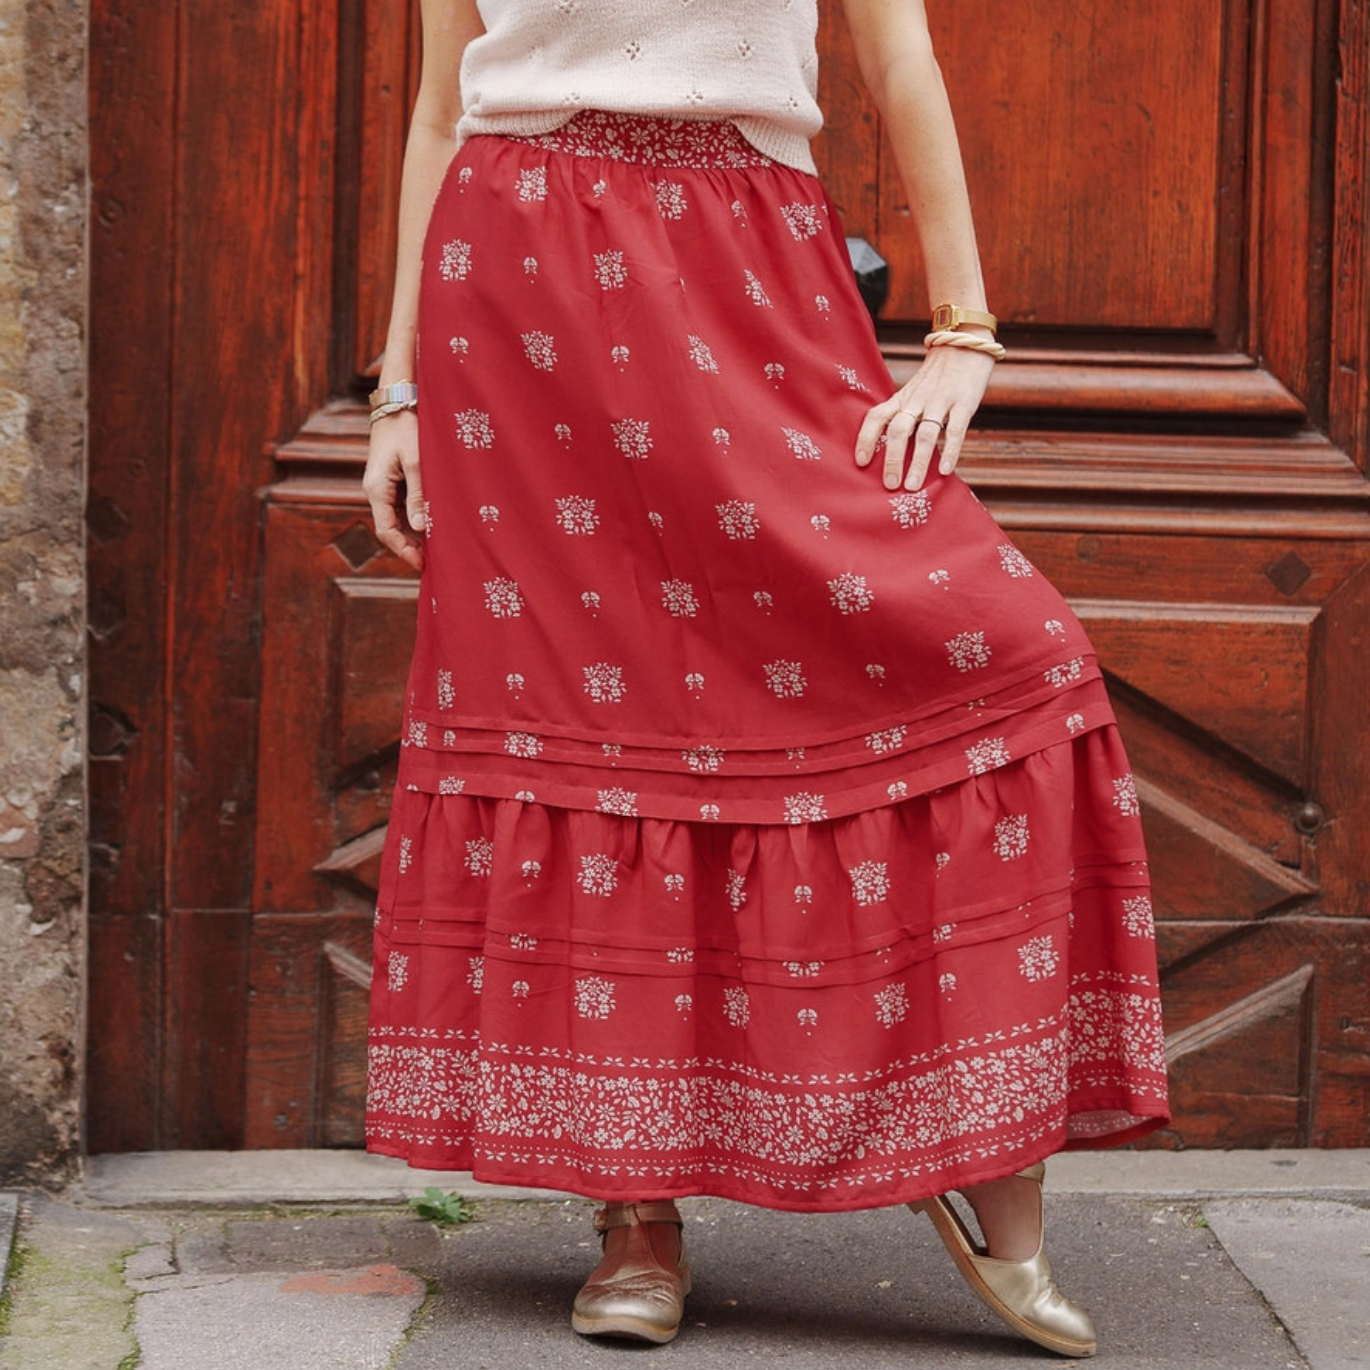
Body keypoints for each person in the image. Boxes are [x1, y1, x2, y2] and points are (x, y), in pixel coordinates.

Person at [362, 0, 1170, 1357]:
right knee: (594, 720)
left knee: (1011, 651)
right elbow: (445, 108)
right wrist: (398, 392)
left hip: (748, 266)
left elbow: (898, 55)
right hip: (514, 294)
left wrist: (964, 329)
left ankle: (984, 1139)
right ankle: (636, 1213)